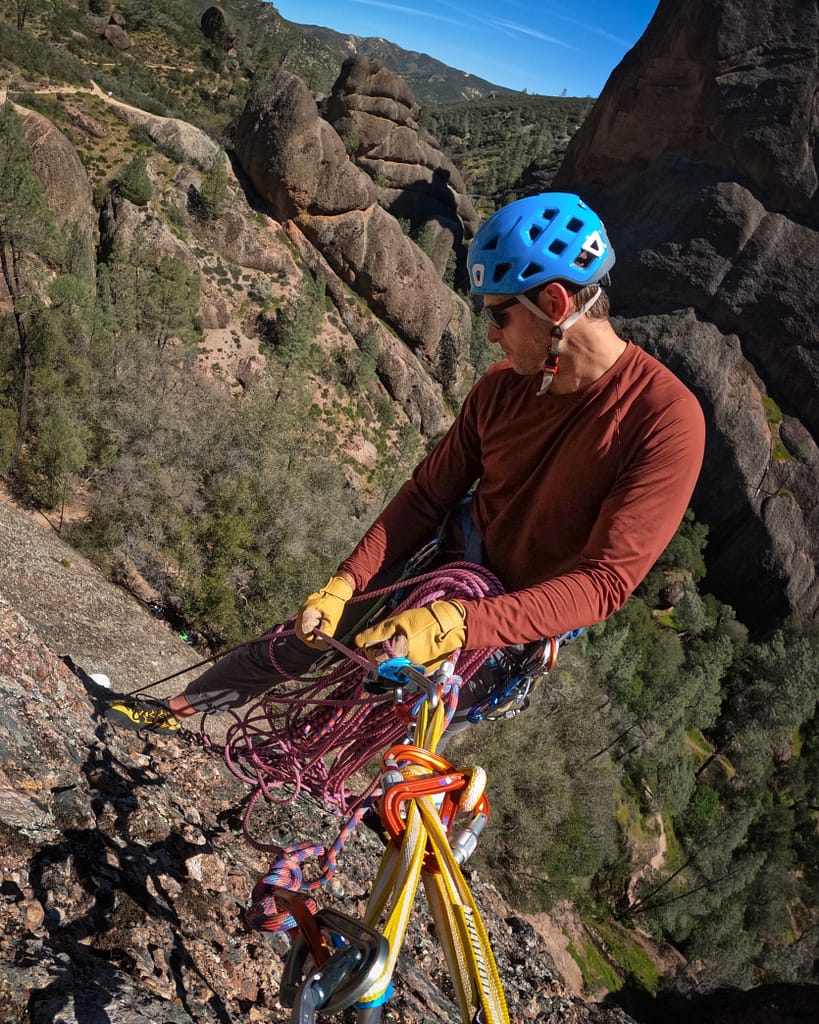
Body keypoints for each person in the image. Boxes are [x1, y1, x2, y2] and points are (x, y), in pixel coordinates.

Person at [107, 192, 705, 736]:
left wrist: (455, 625)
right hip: (447, 561)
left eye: (499, 315)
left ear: (554, 303)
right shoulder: (501, 388)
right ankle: (174, 713)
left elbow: (602, 585)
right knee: (306, 638)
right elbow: (426, 497)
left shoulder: (665, 421)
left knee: (391, 726)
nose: (492, 336)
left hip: (508, 622)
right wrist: (344, 583)